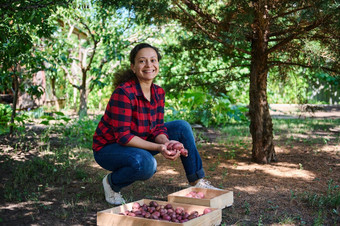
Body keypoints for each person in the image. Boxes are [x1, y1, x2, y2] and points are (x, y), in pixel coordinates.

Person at [92, 43, 221, 205]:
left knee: (181, 127)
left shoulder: (158, 92)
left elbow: (157, 128)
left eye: (153, 60)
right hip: (109, 148)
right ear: (133, 67)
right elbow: (123, 137)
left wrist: (167, 143)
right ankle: (112, 183)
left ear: (158, 64)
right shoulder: (124, 93)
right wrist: (160, 148)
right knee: (146, 164)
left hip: (138, 140)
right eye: (142, 61)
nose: (149, 65)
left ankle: (197, 182)